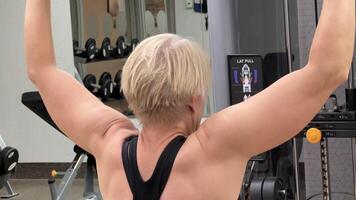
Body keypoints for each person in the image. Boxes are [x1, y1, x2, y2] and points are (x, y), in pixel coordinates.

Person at [24, 0, 355, 199]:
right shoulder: (216, 145)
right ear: (195, 100)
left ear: (132, 94)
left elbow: (42, 69)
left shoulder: (108, 141)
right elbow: (328, 70)